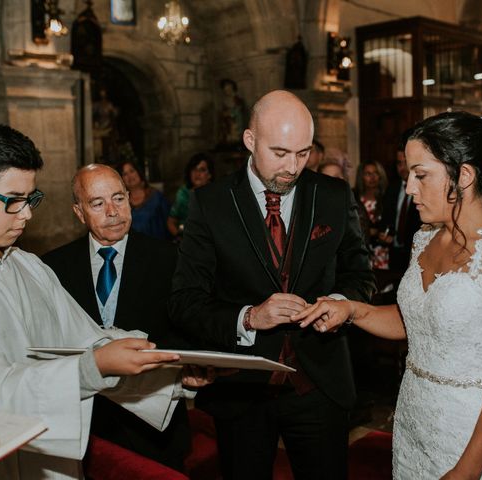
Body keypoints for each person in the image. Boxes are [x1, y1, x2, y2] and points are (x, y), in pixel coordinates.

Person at [294, 112, 482, 479]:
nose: (409, 188)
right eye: (409, 174)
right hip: (414, 424)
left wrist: (467, 470)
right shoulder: (426, 238)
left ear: (464, 175)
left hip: (474, 438)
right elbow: (418, 323)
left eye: (421, 175)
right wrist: (351, 310)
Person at [0, 121, 212, 479]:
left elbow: (87, 338)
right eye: (13, 201)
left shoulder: (30, 267)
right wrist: (91, 366)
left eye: (31, 199)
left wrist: (173, 371)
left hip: (50, 458)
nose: (28, 214)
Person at [169, 90, 375, 480]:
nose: (293, 167)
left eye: (303, 153)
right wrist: (248, 317)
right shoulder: (210, 203)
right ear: (250, 140)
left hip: (319, 383)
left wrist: (336, 303)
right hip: (242, 392)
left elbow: (360, 274)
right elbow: (185, 300)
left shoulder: (332, 195)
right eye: (280, 153)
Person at [42, 164, 191, 471]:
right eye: (97, 203)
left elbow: (187, 326)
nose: (112, 211)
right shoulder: (52, 268)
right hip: (88, 422)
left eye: (118, 199)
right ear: (79, 212)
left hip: (154, 423)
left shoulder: (170, 258)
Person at [382, 141, 422, 274]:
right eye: (399, 163)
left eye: (406, 163)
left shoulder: (422, 189)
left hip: (415, 252)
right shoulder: (391, 189)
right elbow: (388, 218)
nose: (403, 167)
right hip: (394, 252)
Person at [118, 160, 171, 240]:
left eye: (132, 171)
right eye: (125, 174)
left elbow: (169, 223)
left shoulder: (156, 197)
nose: (129, 176)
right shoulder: (121, 204)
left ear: (139, 172)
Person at [167, 153, 214, 239]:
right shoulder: (183, 193)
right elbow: (170, 222)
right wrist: (179, 237)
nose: (197, 173)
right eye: (194, 169)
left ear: (209, 174)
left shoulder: (215, 193)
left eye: (202, 170)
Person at [355, 161, 389, 270]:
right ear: (361, 177)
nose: (372, 177)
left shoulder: (387, 198)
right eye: (367, 174)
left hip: (383, 253)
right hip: (361, 252)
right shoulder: (355, 199)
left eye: (375, 173)